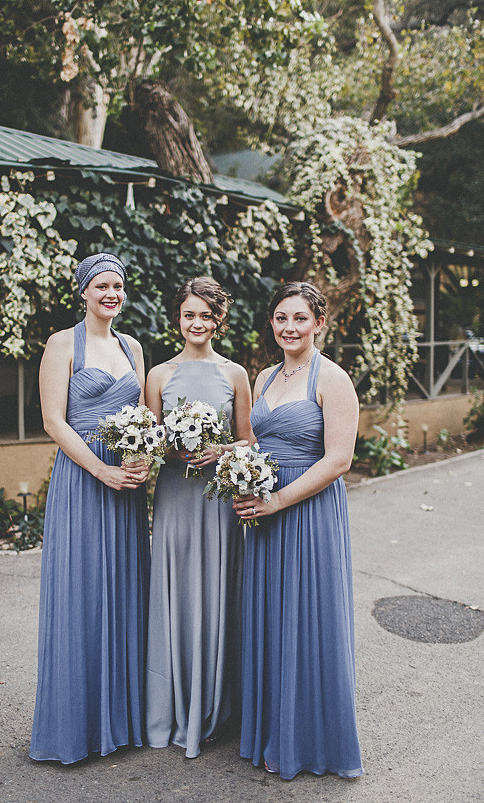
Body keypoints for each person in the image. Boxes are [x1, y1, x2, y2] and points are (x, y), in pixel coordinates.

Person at [234, 280, 364, 780]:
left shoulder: (332, 378)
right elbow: (256, 442)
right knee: (272, 615)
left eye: (300, 318)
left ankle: (308, 740)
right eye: (281, 318)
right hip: (265, 514)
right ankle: (273, 728)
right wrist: (226, 458)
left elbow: (339, 460)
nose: (290, 328)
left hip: (306, 512)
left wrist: (278, 501)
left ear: (319, 323)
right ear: (272, 322)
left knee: (307, 616)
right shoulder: (265, 376)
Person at [29, 253, 150, 764]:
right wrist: (101, 470)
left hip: (126, 483)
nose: (111, 294)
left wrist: (141, 458)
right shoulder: (62, 344)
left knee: (124, 589)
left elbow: (142, 414)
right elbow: (53, 422)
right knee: (81, 593)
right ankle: (74, 727)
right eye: (101, 286)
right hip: (84, 480)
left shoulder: (132, 347)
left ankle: (119, 723)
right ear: (83, 291)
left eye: (117, 286)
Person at [145, 277, 253, 758]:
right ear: (178, 319)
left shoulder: (236, 374)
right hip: (175, 496)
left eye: (206, 315)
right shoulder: (158, 375)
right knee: (177, 591)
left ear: (218, 320)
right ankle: (172, 705)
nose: (197, 323)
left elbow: (248, 439)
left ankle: (213, 707)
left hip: (217, 501)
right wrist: (176, 449)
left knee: (215, 590)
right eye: (189, 314)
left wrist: (219, 450)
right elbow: (149, 444)